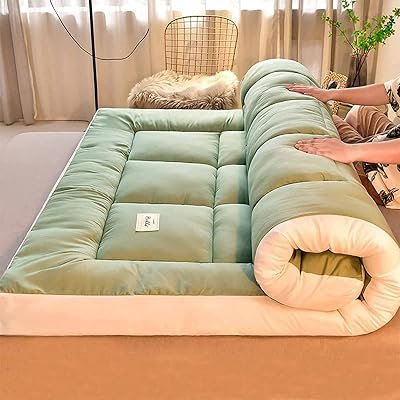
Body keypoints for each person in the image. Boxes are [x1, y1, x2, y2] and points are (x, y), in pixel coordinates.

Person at [287, 76, 400, 207]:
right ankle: (356, 148)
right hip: (394, 136)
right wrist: (329, 94)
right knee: (361, 111)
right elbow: (388, 90)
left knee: (332, 121)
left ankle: (357, 163)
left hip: (387, 179)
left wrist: (349, 151)